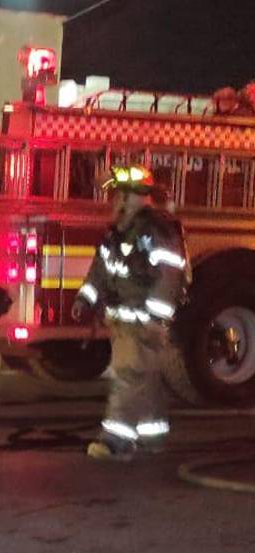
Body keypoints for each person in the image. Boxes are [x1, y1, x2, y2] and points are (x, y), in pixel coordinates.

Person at [72, 164, 187, 462]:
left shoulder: (155, 230)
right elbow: (100, 270)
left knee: (128, 376)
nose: (115, 200)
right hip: (122, 318)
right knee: (144, 377)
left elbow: (169, 276)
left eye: (121, 194)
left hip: (140, 320)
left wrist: (156, 319)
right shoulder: (118, 231)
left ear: (138, 196)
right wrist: (85, 299)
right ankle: (153, 436)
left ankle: (116, 440)